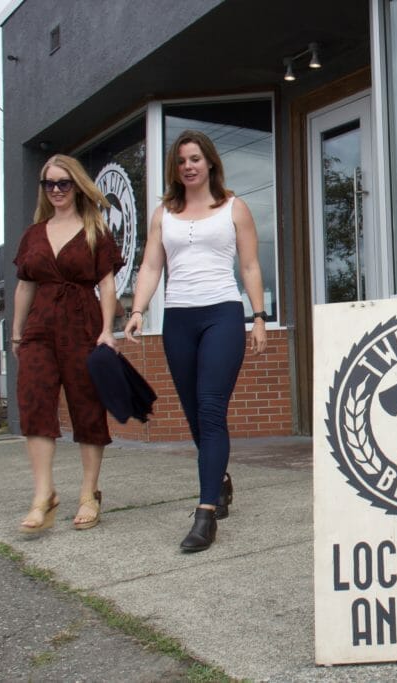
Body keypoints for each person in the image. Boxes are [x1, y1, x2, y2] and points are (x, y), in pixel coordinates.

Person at [124, 130, 267, 553]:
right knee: (192, 413)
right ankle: (219, 481)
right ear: (176, 168)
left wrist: (258, 317)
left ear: (210, 164)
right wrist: (137, 310)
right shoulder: (163, 214)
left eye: (196, 158)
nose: (189, 166)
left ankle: (205, 514)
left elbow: (251, 265)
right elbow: (151, 265)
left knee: (210, 408)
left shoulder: (234, 208)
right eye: (182, 160)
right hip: (179, 320)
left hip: (222, 313)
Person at [12, 154, 124, 533]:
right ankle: (44, 495)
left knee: (87, 407)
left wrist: (108, 330)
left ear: (77, 185)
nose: (56, 190)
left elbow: (107, 284)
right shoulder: (33, 233)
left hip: (83, 326)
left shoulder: (95, 230)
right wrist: (17, 332)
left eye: (63, 183)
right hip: (40, 329)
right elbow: (25, 284)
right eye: (49, 184)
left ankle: (89, 494)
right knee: (35, 405)